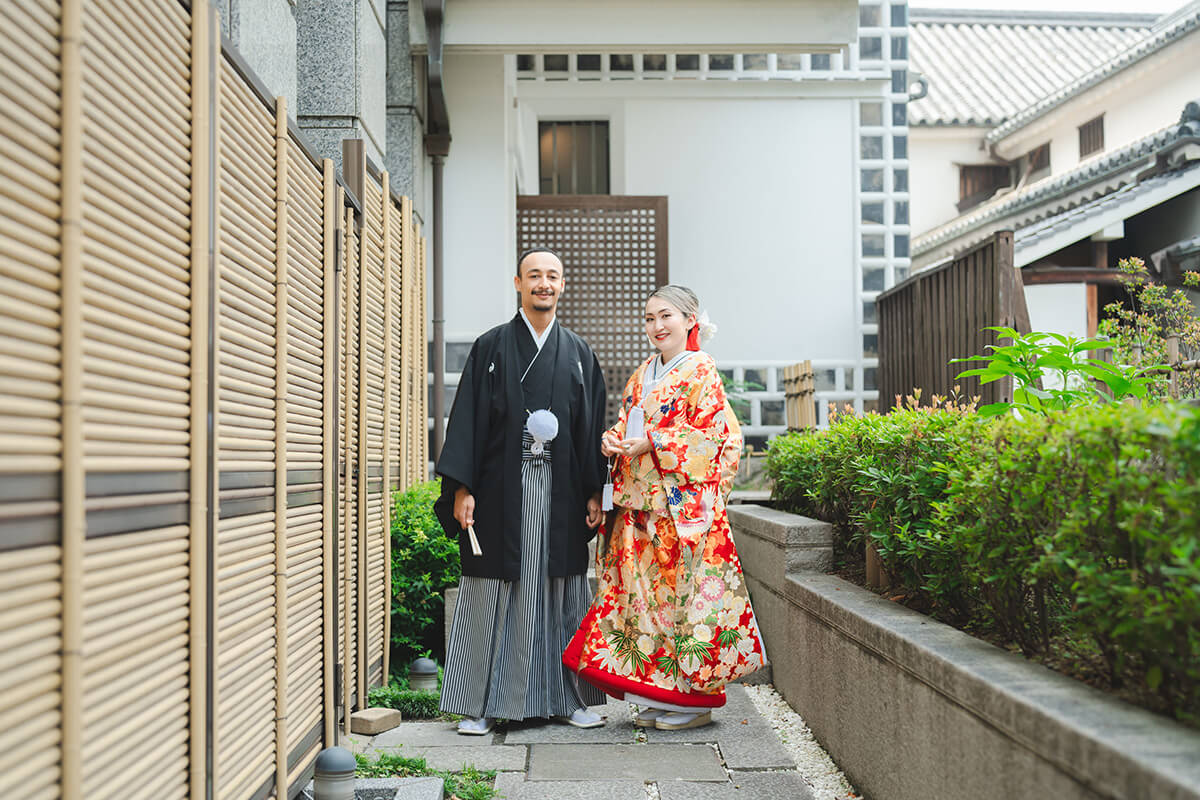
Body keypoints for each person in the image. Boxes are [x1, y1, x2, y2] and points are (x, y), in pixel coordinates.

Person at [562, 285, 767, 731]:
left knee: (683, 604)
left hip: (681, 511)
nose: (656, 326)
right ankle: (661, 692)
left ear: (690, 319)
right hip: (640, 508)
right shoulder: (643, 373)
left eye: (666, 316)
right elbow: (627, 420)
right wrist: (612, 440)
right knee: (645, 604)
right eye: (650, 318)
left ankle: (696, 702)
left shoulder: (702, 371)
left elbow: (716, 439)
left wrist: (654, 442)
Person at [434, 247, 609, 735]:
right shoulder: (491, 347)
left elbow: (592, 423)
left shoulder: (577, 352)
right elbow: (466, 418)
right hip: (499, 490)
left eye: (553, 275)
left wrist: (595, 490)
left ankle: (568, 698)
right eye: (535, 275)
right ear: (518, 283)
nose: (544, 284)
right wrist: (462, 488)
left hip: (561, 492)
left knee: (562, 589)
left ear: (563, 284)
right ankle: (480, 705)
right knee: (493, 590)